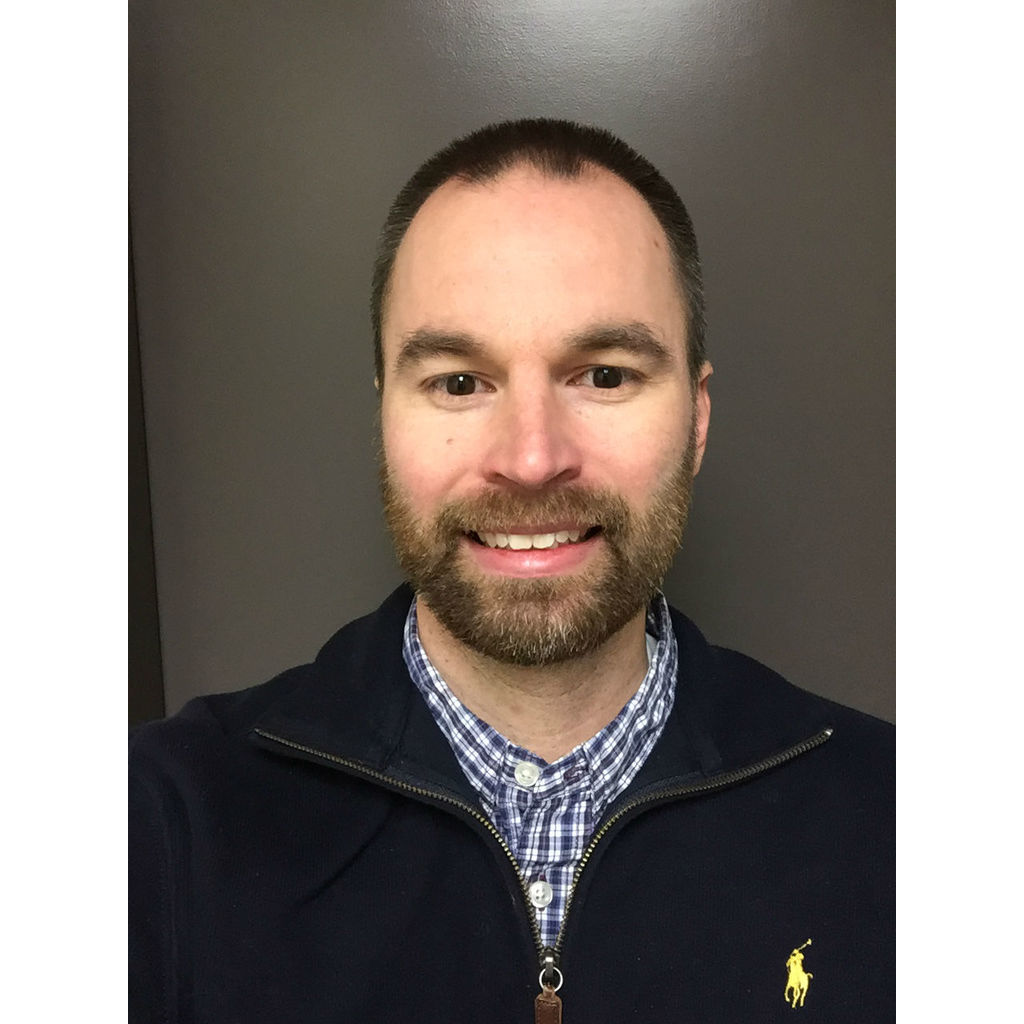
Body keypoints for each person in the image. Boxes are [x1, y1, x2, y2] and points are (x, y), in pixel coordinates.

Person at [129, 119, 894, 1023]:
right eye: (459, 382)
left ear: (695, 421)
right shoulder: (157, 826)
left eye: (604, 375)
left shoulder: (897, 820)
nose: (531, 460)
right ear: (385, 418)